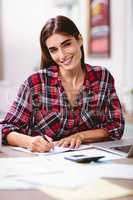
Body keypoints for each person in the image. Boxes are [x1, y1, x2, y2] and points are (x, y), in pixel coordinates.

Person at [0, 15, 125, 153]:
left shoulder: (101, 78)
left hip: (89, 164)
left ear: (80, 40)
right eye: (54, 50)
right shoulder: (36, 84)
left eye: (67, 44)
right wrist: (30, 142)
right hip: (42, 165)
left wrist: (80, 136)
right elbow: (5, 128)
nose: (62, 55)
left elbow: (115, 126)